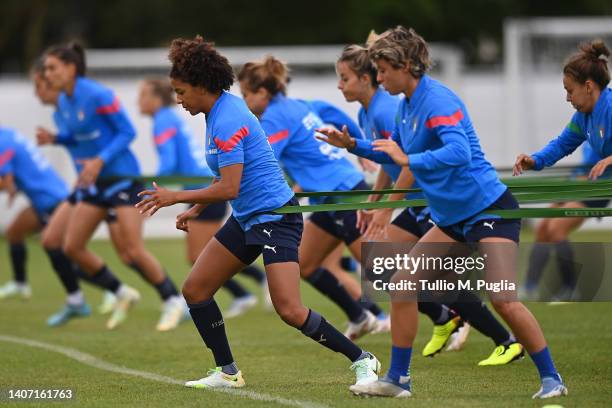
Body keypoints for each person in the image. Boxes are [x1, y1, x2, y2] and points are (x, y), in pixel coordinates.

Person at [319, 26, 567, 399]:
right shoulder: (405, 106)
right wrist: (354, 144)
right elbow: (392, 153)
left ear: (405, 65)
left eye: (384, 70)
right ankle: (397, 380)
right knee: (402, 286)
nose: (379, 77)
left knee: (503, 299)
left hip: (489, 209)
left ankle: (552, 379)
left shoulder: (437, 100)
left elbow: (459, 153)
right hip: (452, 217)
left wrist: (409, 159)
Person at [135, 35, 380, 391]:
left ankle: (363, 359)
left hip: (275, 217)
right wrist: (196, 208)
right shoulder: (216, 111)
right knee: (196, 290)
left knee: (290, 311)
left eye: (182, 91)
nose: (178, 99)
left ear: (202, 86)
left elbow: (230, 188)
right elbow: (224, 175)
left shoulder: (227, 118)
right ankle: (228, 372)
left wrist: (176, 197)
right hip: (249, 217)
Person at [334, 43, 523, 364]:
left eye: (345, 78)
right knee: (384, 267)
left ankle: (502, 338)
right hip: (417, 203)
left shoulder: (385, 108)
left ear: (367, 79)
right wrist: (374, 199)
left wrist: (385, 208)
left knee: (433, 278)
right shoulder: (370, 111)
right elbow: (387, 159)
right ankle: (446, 319)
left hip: (428, 201)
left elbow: (407, 163)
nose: (340, 85)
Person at [36, 42, 184, 331]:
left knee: (131, 250)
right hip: (96, 183)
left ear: (70, 68)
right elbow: (82, 137)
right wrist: (57, 140)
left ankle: (173, 300)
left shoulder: (98, 94)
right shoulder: (65, 102)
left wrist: (99, 160)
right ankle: (119, 291)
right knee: (72, 246)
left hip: (122, 179)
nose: (47, 73)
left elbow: (126, 131)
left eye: (52, 67)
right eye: (46, 69)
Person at [238, 56, 386, 339]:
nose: (243, 102)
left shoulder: (272, 118)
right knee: (305, 263)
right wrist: (358, 146)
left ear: (262, 93)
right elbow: (334, 114)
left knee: (382, 272)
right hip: (328, 198)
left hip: (344, 196)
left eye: (245, 95)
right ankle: (360, 316)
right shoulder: (300, 105)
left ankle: (450, 314)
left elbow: (266, 164)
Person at [138, 78, 270, 317]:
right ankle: (361, 315)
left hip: (351, 195)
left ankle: (250, 288)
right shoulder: (362, 111)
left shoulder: (233, 116)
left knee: (292, 307)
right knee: (204, 258)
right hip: (355, 198)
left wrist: (153, 189)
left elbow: (170, 164)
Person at [0, 126, 94, 324]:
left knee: (63, 252)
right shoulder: (9, 135)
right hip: (45, 198)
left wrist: (9, 187)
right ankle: (20, 283)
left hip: (50, 200)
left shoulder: (3, 143)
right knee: (14, 232)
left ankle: (113, 289)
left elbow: (7, 183)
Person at [523, 142, 609, 301]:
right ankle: (529, 287)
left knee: (556, 229)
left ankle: (570, 289)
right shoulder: (587, 126)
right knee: (542, 228)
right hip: (576, 183)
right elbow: (562, 145)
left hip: (596, 189)